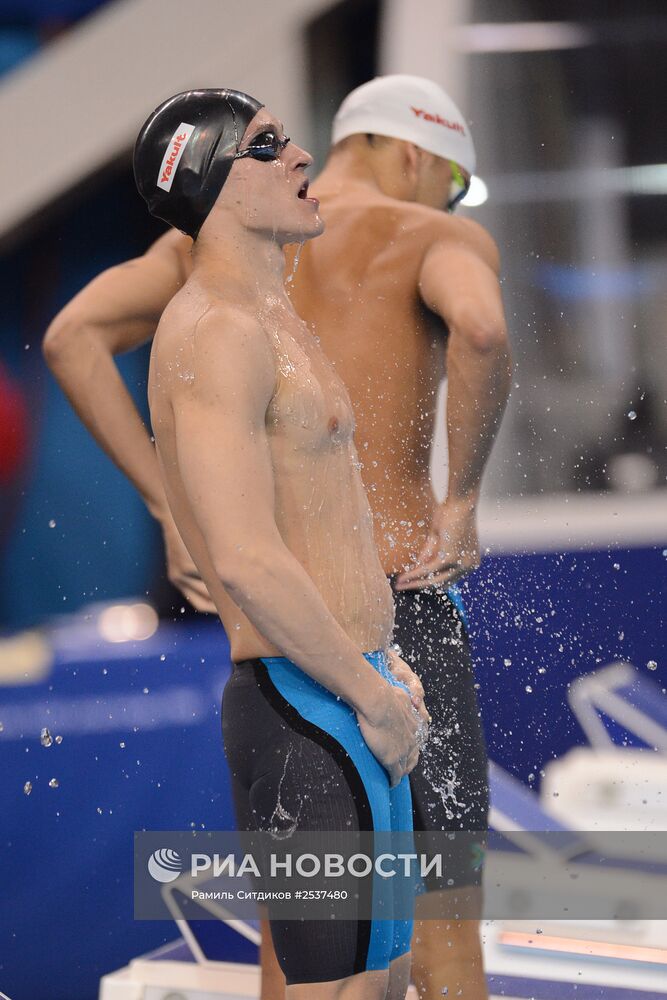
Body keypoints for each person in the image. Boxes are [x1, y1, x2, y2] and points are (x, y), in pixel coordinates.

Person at [44, 76, 512, 999]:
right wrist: (460, 499)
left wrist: (172, 505)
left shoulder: (247, 278)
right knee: (438, 929)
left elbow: (72, 337)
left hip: (349, 646)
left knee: (320, 950)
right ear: (413, 154)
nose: (295, 159)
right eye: (454, 182)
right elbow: (484, 329)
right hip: (348, 641)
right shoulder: (414, 240)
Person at [132, 87, 426, 1000]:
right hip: (307, 710)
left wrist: (382, 662)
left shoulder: (270, 318)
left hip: (344, 688)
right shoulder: (216, 333)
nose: (300, 155)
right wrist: (368, 697)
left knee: (385, 984)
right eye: (266, 145)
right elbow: (247, 559)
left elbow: (318, 520)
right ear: (212, 183)